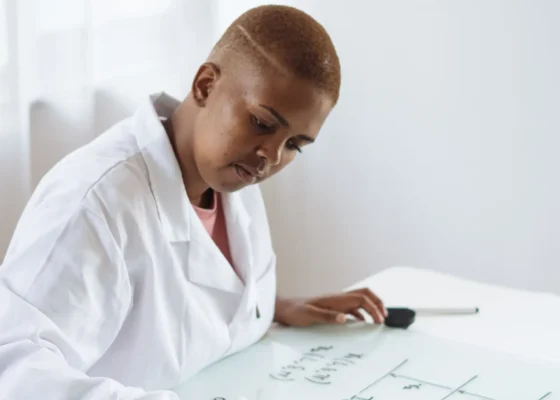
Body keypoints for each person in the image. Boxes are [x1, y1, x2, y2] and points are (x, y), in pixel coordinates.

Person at [0, 5, 387, 399]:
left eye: (295, 146)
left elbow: (185, 308)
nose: (271, 157)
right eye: (262, 124)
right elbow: (15, 372)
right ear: (205, 84)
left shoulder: (234, 178)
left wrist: (265, 309)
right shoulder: (94, 203)